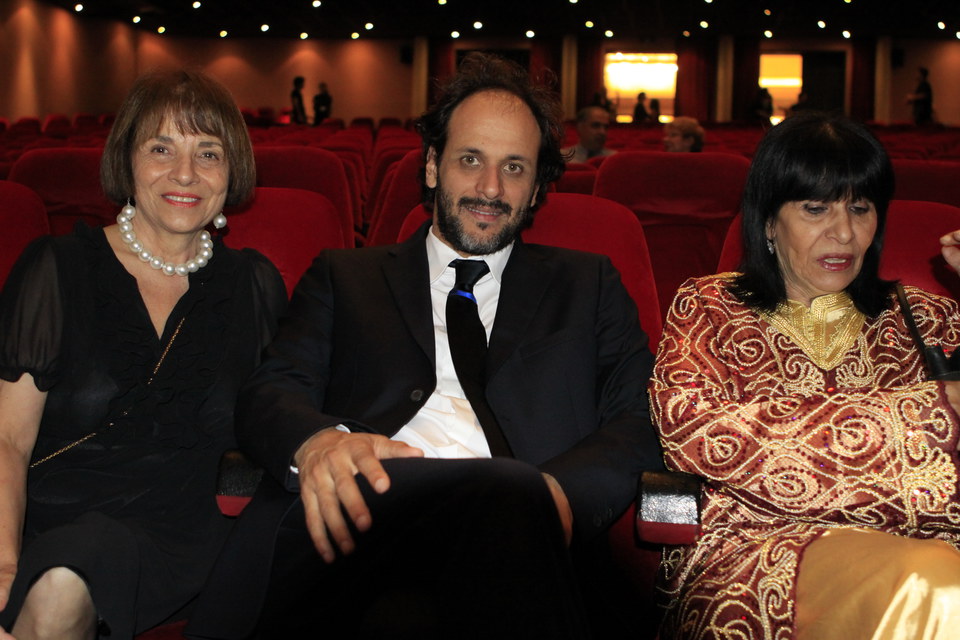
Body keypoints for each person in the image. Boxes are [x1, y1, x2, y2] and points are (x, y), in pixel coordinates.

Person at [187, 52, 661, 638]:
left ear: (538, 186)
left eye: (515, 168)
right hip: (365, 523)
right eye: (470, 160)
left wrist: (556, 497)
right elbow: (272, 388)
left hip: (521, 540)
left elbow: (638, 418)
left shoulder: (588, 284)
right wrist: (316, 445)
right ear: (433, 166)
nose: (490, 187)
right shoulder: (346, 276)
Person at [650, 112, 960, 640]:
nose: (843, 232)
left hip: (929, 542)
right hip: (755, 552)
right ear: (769, 220)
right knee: (935, 586)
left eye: (861, 208)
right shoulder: (709, 307)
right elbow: (701, 437)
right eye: (815, 208)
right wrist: (934, 412)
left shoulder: (929, 319)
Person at [0, 70, 287, 640]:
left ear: (232, 173)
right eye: (162, 148)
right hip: (44, 521)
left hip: (180, 532)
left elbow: (281, 418)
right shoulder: (56, 268)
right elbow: (8, 439)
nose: (185, 174)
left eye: (208, 152)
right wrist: (5, 562)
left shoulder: (252, 286)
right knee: (59, 578)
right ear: (127, 161)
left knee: (65, 580)